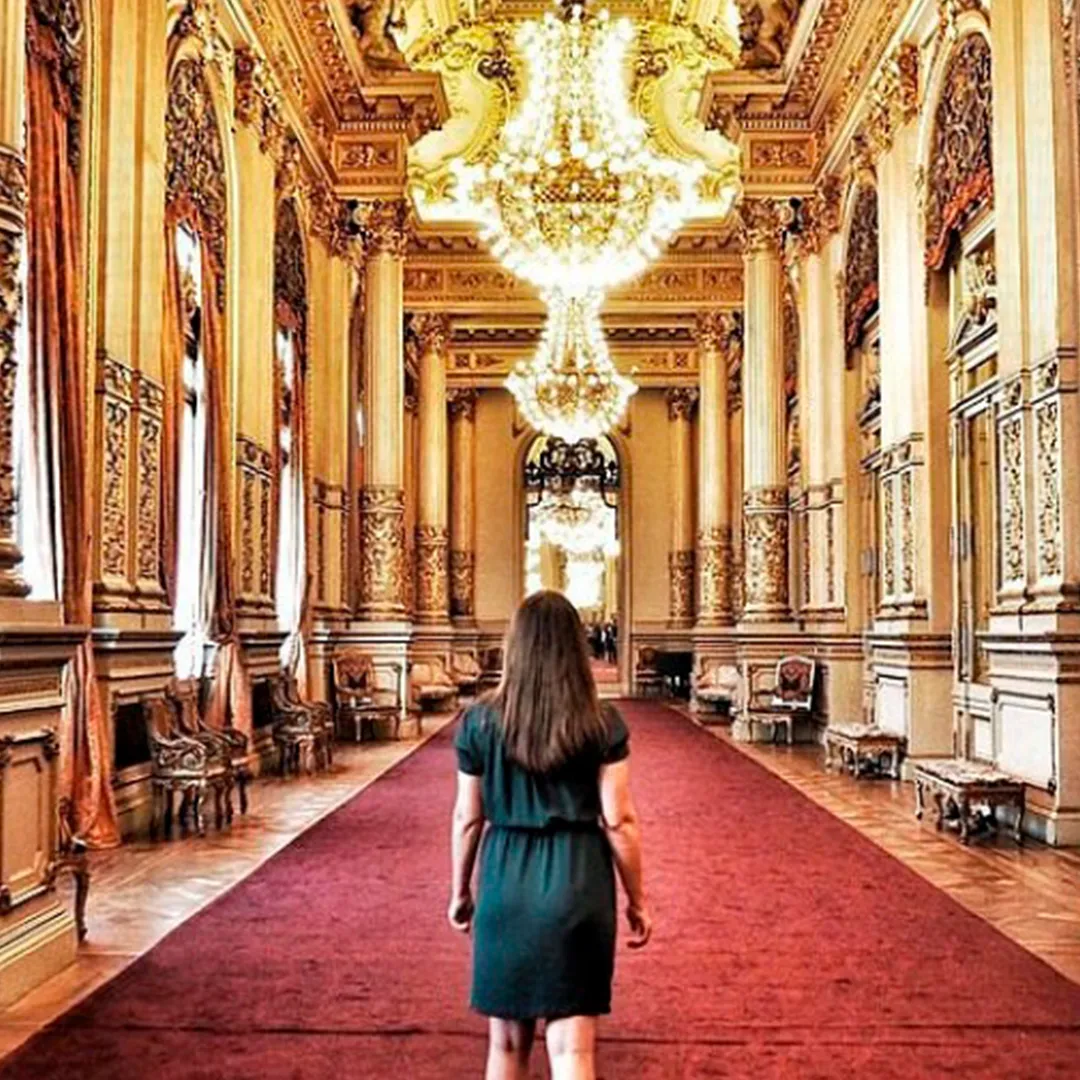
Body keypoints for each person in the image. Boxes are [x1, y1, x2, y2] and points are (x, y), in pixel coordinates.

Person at [448, 590, 651, 1080]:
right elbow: (619, 820)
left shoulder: (479, 723)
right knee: (574, 1052)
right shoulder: (601, 722)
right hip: (577, 878)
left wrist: (459, 891)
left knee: (507, 1045)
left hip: (505, 880)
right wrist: (637, 899)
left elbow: (467, 819)